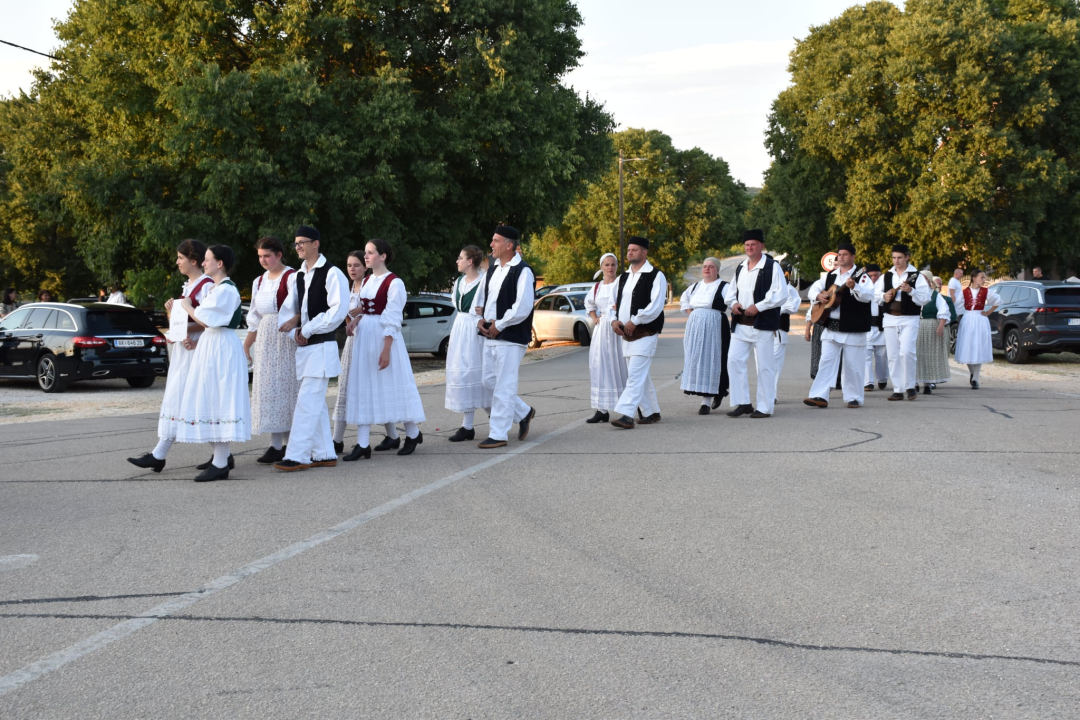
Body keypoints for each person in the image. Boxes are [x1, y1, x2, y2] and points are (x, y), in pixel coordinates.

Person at [127, 239, 214, 475]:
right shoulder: (189, 286)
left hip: (195, 349)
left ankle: (218, 456)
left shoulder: (206, 286)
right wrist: (170, 312)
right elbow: (181, 321)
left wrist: (185, 329)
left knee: (193, 400)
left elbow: (208, 321)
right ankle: (162, 454)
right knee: (182, 399)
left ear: (193, 261)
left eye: (180, 258)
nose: (177, 262)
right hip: (184, 350)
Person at [273, 225, 350, 472]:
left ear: (316, 243)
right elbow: (292, 310)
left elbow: (337, 311)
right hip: (305, 350)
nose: (298, 247)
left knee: (307, 402)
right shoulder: (298, 276)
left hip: (322, 348)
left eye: (302, 242)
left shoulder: (332, 273)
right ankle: (324, 453)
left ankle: (298, 455)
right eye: (295, 243)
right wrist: (294, 327)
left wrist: (306, 329)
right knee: (312, 403)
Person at [343, 239, 426, 459]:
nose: (366, 256)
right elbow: (367, 306)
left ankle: (412, 432)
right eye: (366, 252)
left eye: (370, 253)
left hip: (383, 336)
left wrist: (387, 349)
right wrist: (355, 318)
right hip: (366, 334)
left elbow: (393, 317)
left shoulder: (394, 283)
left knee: (395, 383)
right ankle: (362, 443)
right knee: (364, 384)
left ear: (383, 256)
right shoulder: (369, 279)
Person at [476, 225, 536, 448]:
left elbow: (522, 307)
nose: (491, 245)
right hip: (491, 335)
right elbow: (483, 300)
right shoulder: (494, 269)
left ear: (509, 245)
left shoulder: (523, 271)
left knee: (503, 385)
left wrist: (499, 325)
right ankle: (524, 412)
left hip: (510, 336)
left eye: (496, 241)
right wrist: (481, 320)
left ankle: (499, 434)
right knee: (488, 381)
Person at [244, 236, 298, 464]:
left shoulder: (293, 277)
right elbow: (255, 316)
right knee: (270, 391)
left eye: (267, 256)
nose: (263, 260)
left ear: (279, 255)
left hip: (286, 338)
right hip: (266, 337)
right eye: (260, 256)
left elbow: (303, 308)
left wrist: (295, 322)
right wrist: (247, 344)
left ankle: (291, 445)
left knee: (286, 390)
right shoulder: (259, 281)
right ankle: (276, 446)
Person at [803, 242, 874, 409]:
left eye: (845, 254)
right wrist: (819, 296)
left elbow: (869, 295)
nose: (841, 257)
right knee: (826, 361)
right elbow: (812, 290)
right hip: (831, 327)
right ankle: (819, 395)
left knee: (853, 365)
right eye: (839, 254)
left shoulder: (861, 276)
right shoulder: (829, 276)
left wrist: (854, 286)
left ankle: (854, 397)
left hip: (853, 327)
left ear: (853, 257)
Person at [725, 229, 786, 418]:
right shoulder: (741, 267)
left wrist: (759, 307)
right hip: (741, 324)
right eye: (747, 245)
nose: (749, 248)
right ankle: (743, 402)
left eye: (753, 244)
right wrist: (733, 303)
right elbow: (730, 292)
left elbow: (780, 294)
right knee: (734, 360)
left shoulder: (772, 266)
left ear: (762, 246)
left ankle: (765, 407)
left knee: (765, 366)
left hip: (762, 323)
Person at [609, 236, 667, 428]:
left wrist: (635, 320)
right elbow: (612, 303)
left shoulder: (655, 275)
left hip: (645, 333)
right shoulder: (623, 277)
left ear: (644, 252)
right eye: (629, 250)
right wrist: (613, 320)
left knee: (634, 375)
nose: (630, 253)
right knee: (641, 376)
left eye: (634, 250)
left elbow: (656, 305)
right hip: (626, 335)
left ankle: (626, 415)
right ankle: (651, 412)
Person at [874, 244, 931, 401]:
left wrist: (911, 291)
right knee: (892, 354)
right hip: (890, 318)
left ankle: (910, 386)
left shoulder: (916, 276)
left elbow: (926, 298)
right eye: (894, 257)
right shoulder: (886, 276)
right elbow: (876, 294)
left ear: (907, 257)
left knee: (907, 352)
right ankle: (898, 389)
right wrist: (883, 296)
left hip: (909, 318)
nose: (896, 261)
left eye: (899, 257)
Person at [444, 245, 490, 441]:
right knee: (464, 376)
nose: (457, 261)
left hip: (475, 329)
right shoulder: (459, 281)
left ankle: (510, 417)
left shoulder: (484, 280)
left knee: (480, 376)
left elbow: (493, 303)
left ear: (470, 261)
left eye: (460, 257)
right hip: (460, 328)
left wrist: (485, 311)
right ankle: (467, 426)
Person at [679, 257, 729, 414]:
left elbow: (733, 302)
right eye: (705, 266)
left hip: (715, 325)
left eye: (711, 267)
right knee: (695, 360)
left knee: (713, 359)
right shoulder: (695, 287)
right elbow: (684, 300)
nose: (707, 269)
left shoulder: (724, 286)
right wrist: (691, 313)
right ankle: (705, 394)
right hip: (695, 328)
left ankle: (707, 400)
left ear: (718, 270)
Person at [584, 253, 628, 423]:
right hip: (602, 330)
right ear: (601, 267)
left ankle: (629, 406)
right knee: (600, 365)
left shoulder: (621, 284)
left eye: (613, 265)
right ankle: (602, 409)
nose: (610, 268)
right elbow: (590, 304)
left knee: (621, 365)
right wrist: (595, 318)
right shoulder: (597, 287)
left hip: (618, 328)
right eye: (607, 265)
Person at [331, 251, 366, 452]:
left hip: (369, 341)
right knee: (344, 388)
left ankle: (397, 433)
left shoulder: (370, 287)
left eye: (357, 265)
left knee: (370, 389)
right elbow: (344, 311)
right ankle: (337, 439)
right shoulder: (348, 288)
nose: (352, 269)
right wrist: (349, 323)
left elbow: (374, 312)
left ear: (365, 267)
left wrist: (358, 318)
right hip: (353, 343)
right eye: (349, 265)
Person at [954, 269, 1000, 389]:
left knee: (978, 346)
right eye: (982, 277)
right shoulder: (965, 292)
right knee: (967, 346)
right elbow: (957, 306)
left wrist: (989, 312)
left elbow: (998, 300)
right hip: (968, 318)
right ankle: (972, 373)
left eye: (984, 277)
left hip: (980, 319)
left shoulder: (986, 291)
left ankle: (975, 378)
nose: (984, 280)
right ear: (974, 278)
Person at [916, 270, 952, 395]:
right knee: (915, 354)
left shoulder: (936, 295)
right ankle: (914, 383)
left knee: (929, 354)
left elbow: (944, 311)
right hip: (915, 326)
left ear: (929, 280)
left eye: (924, 278)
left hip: (931, 325)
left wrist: (941, 326)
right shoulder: (912, 293)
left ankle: (927, 383)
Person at [770, 275, 802, 405]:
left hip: (778, 329)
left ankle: (771, 393)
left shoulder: (787, 288)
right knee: (761, 363)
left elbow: (793, 306)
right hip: (760, 330)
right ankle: (765, 391)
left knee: (775, 363)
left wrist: (775, 307)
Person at [862, 264, 888, 391]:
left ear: (880, 274)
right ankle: (868, 382)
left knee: (881, 355)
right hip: (867, 326)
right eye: (870, 275)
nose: (873, 278)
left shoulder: (885, 286)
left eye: (875, 275)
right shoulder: (863, 286)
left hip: (881, 326)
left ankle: (882, 378)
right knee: (866, 355)